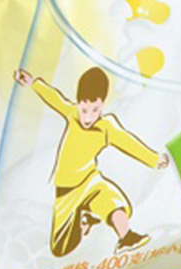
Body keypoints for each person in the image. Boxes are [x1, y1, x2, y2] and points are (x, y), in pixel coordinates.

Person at [14, 66, 169, 256]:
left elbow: (129, 143)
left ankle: (127, 237)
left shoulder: (107, 127)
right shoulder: (72, 113)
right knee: (60, 249)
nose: (88, 117)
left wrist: (155, 159)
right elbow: (53, 98)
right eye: (84, 109)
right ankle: (85, 220)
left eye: (95, 110)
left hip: (90, 181)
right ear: (78, 103)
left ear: (102, 105)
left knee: (113, 201)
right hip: (67, 189)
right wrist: (32, 82)